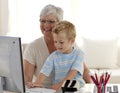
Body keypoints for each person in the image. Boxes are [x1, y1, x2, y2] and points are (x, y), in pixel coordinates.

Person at [23, 4, 91, 89]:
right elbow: (30, 77)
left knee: (72, 86)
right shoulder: (33, 47)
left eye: (51, 21)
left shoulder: (71, 44)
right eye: (43, 21)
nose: (46, 25)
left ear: (60, 23)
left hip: (69, 86)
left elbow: (82, 71)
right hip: (50, 89)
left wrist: (94, 87)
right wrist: (36, 84)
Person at [27, 20, 85, 91]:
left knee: (71, 85)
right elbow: (45, 70)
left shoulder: (79, 54)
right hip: (58, 85)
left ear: (72, 41)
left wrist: (62, 84)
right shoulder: (53, 56)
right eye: (55, 42)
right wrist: (37, 82)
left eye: (61, 42)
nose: (57, 45)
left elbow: (73, 73)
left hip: (74, 84)